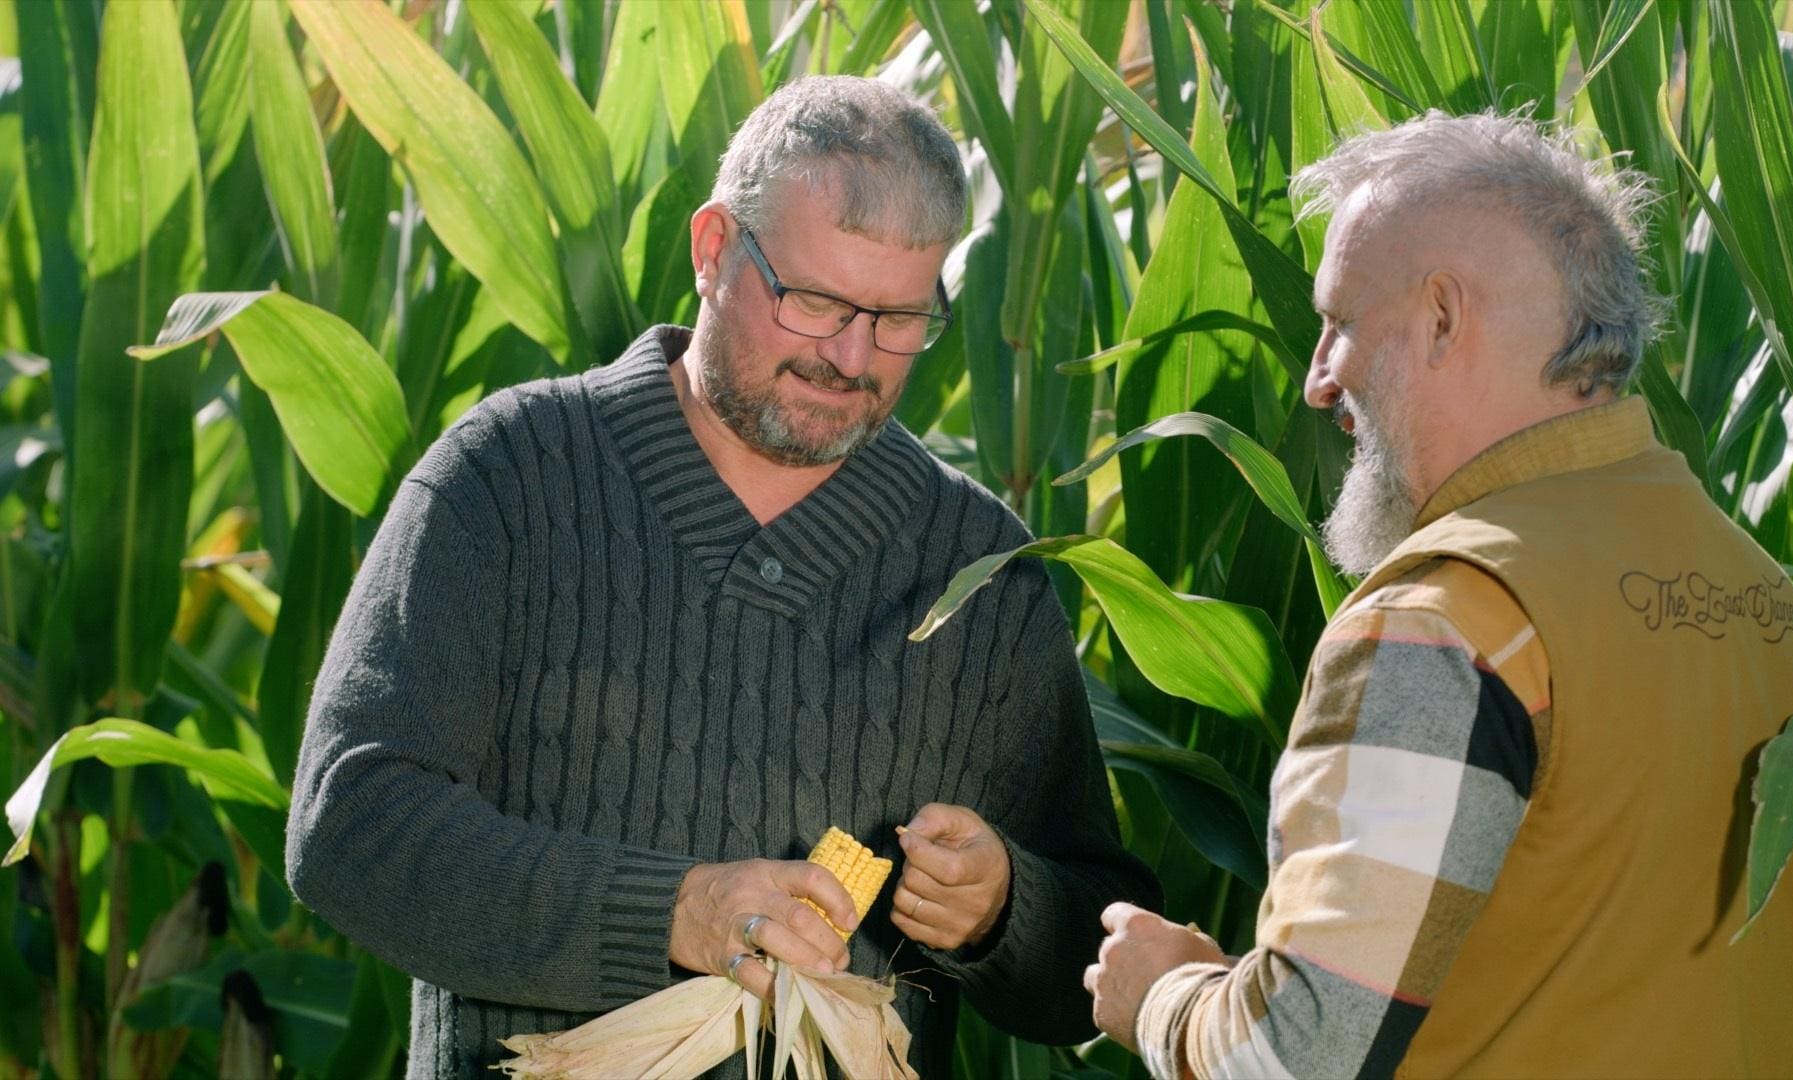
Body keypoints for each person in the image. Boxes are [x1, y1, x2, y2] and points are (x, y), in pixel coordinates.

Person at [287, 75, 1158, 1078]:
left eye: (900, 319)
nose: (852, 357)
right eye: (817, 301)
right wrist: (675, 910)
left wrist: (1006, 906)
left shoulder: (981, 577)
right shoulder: (508, 477)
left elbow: (1099, 953)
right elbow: (349, 828)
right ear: (714, 250)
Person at [1084, 111, 1793, 1078]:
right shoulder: (1757, 591)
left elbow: (1295, 1061)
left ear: (1441, 317)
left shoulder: (1448, 618)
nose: (1319, 379)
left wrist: (1164, 1000)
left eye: (1339, 321)